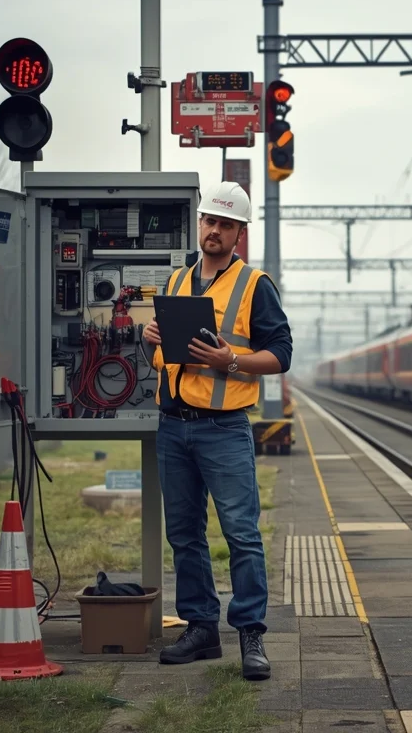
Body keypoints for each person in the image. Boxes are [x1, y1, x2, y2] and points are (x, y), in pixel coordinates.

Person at [142, 180, 292, 680]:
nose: (214, 230)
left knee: (241, 534)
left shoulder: (255, 285)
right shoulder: (177, 282)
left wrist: (231, 361)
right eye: (209, 221)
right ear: (200, 223)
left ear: (239, 233)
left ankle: (250, 634)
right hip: (174, 426)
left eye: (225, 224)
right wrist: (148, 339)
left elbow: (281, 355)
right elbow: (161, 358)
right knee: (184, 534)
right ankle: (201, 628)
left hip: (224, 429)